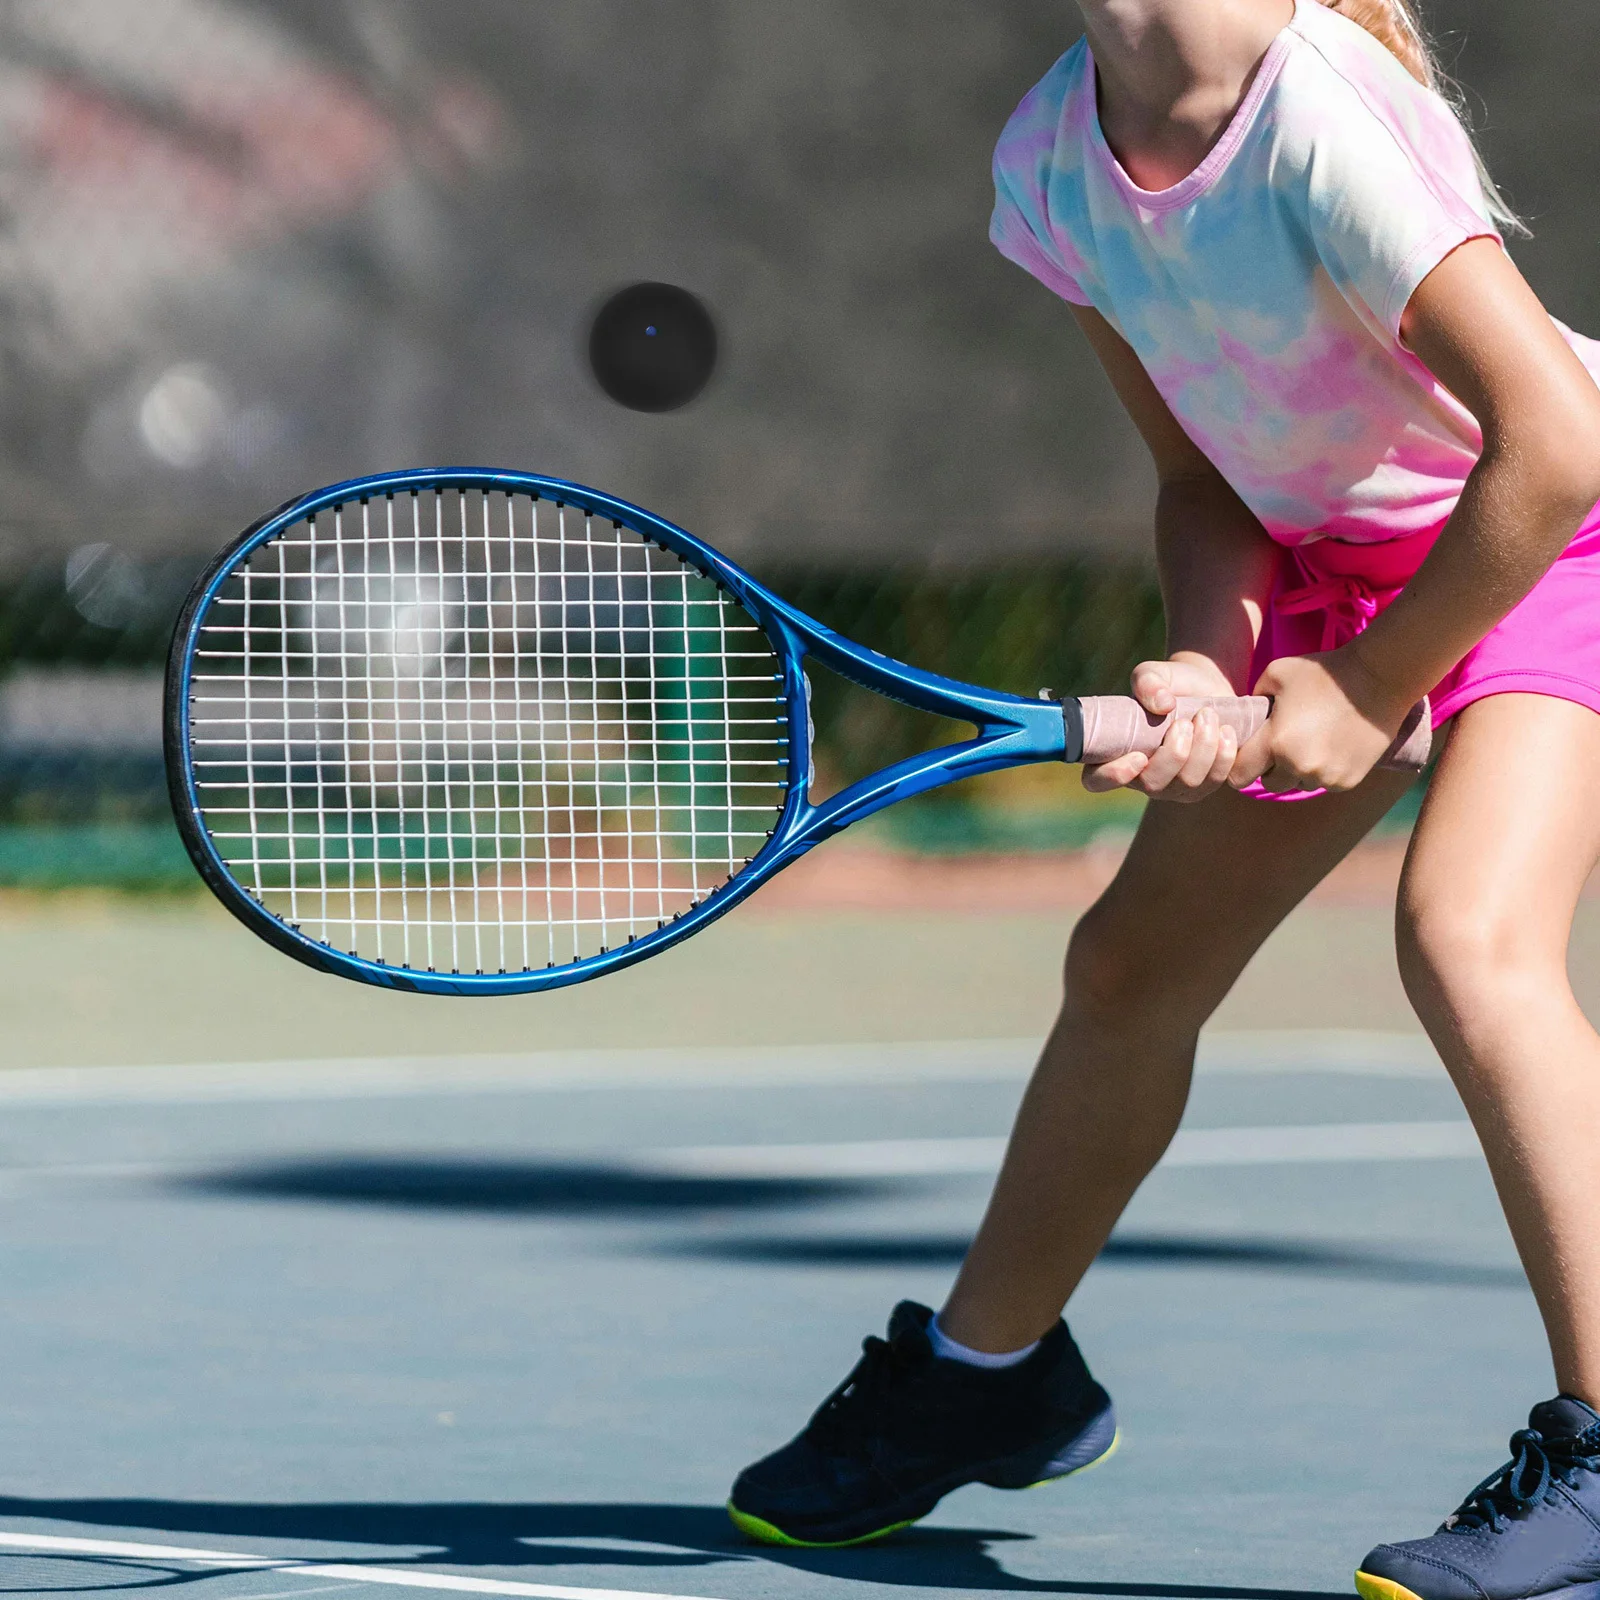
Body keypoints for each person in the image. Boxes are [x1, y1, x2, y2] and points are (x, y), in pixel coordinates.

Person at [725, 1, 1600, 1593]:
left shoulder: (1321, 117)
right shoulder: (1049, 164)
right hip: (1336, 565)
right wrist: (1211, 665)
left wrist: (1363, 685)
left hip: (1542, 541)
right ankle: (993, 1378)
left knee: (1468, 940)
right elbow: (1207, 480)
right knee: (1128, 970)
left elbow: (1555, 445)